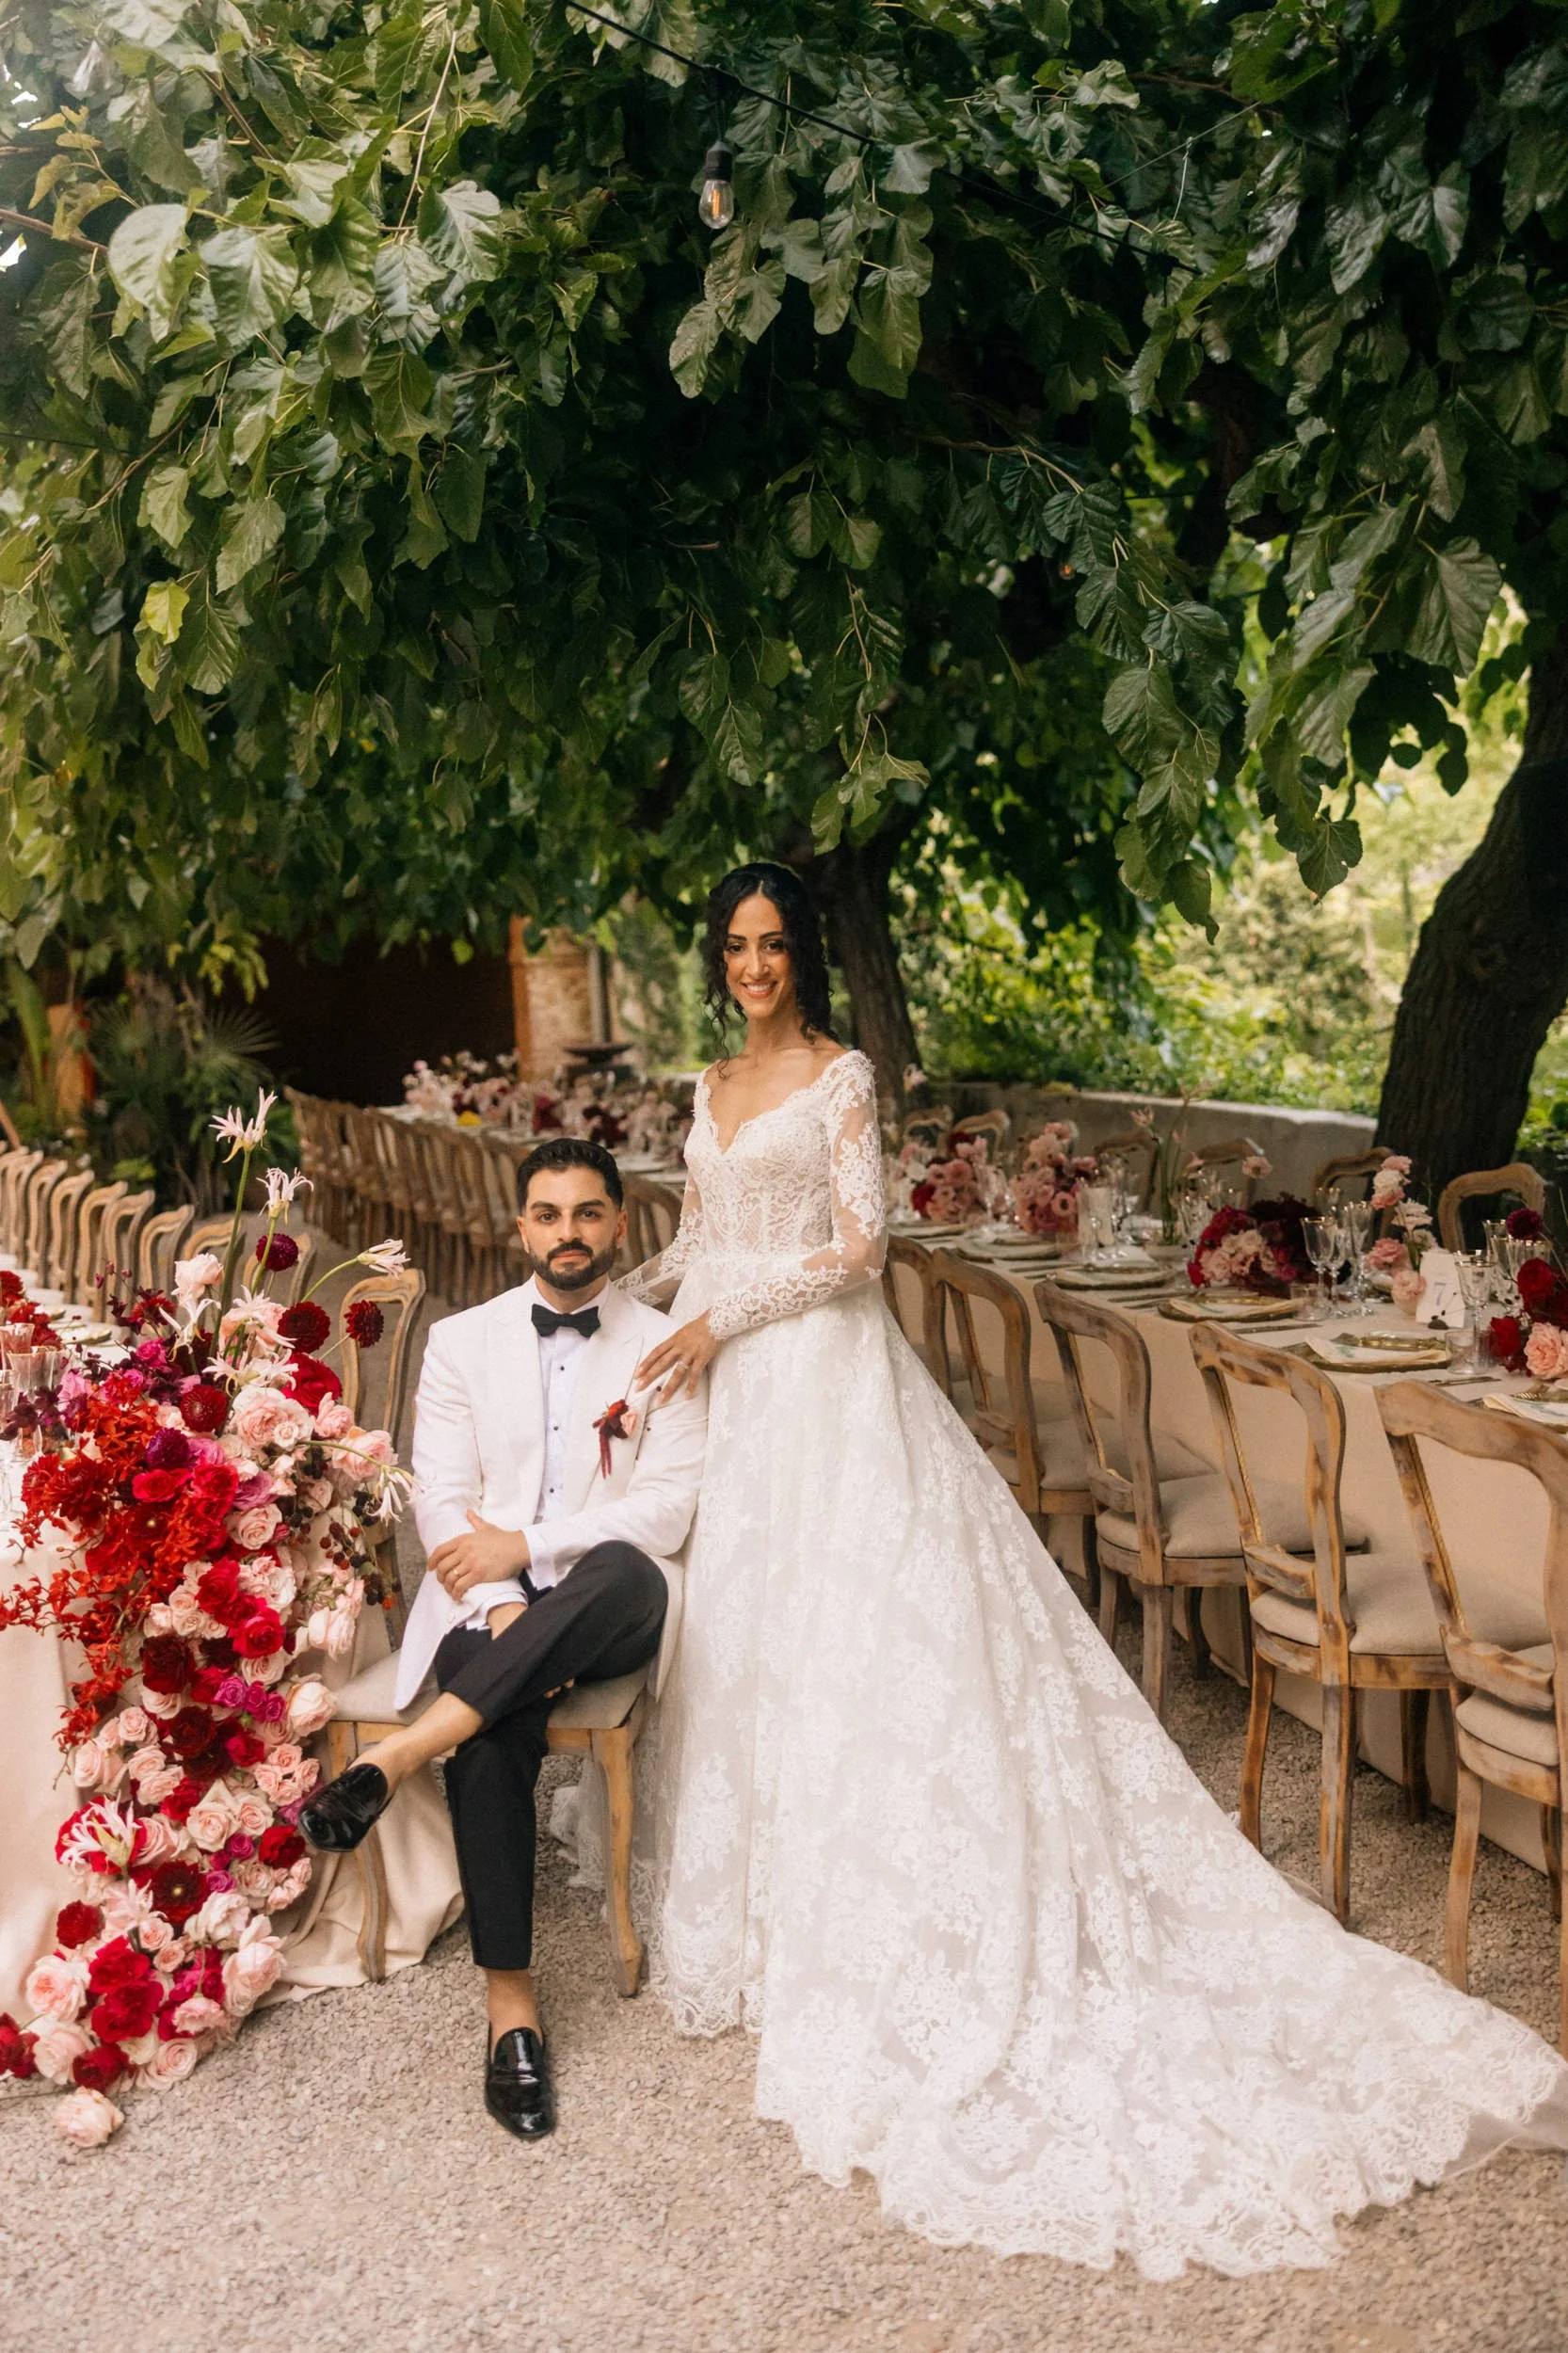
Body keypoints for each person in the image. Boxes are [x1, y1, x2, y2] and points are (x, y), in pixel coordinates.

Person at [614, 857, 1568, 2278]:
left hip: (818, 1376)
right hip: (735, 1392)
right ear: (718, 957)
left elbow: (860, 1249)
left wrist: (718, 1320)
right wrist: (617, 1314)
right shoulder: (705, 1084)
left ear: (803, 956)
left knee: (858, 1636)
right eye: (735, 946)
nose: (754, 966)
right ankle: (760, 1905)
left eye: (772, 945)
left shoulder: (843, 1075)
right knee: (754, 1639)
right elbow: (705, 1233)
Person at [301, 1137, 706, 2142]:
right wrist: (500, 1600)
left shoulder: (669, 1342)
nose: (567, 1232)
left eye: (586, 1212)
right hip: (483, 1608)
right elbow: (438, 1500)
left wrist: (528, 1549)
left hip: (613, 1602)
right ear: (519, 1225)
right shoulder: (459, 1340)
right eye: (547, 1212)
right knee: (488, 1730)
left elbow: (665, 1508)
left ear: (620, 1223)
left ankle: (397, 1753)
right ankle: (510, 2008)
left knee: (619, 1566)